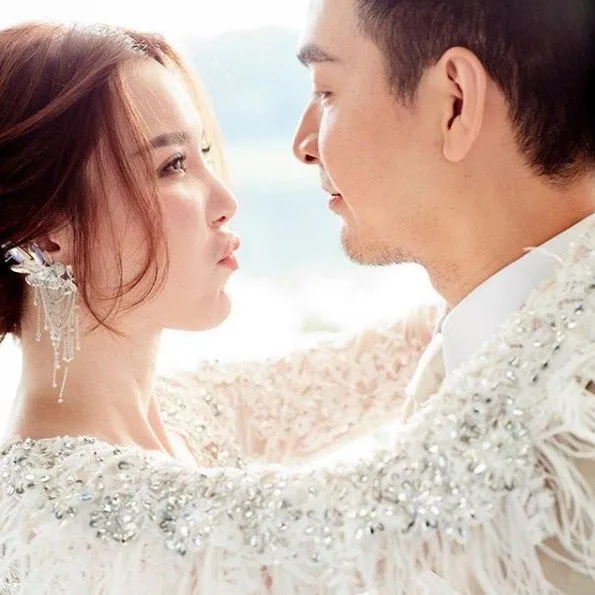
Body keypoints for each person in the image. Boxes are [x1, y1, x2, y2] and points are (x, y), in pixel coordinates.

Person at [0, 21, 433, 594]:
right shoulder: (64, 511)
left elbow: (401, 349)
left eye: (203, 152)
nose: (227, 200)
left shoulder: (188, 411)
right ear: (47, 237)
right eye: (172, 165)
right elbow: (422, 515)